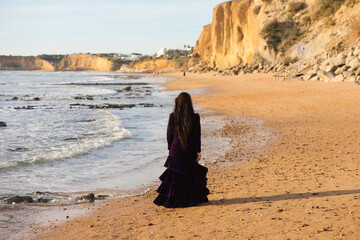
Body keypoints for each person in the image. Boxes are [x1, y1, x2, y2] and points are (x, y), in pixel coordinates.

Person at [153, 92, 209, 208]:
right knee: (189, 175)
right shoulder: (195, 117)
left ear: (177, 103)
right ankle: (190, 199)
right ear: (189, 104)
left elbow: (169, 134)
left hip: (176, 149)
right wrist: (198, 151)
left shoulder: (173, 116)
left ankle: (174, 200)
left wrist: (169, 148)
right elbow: (197, 136)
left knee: (175, 177)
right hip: (189, 149)